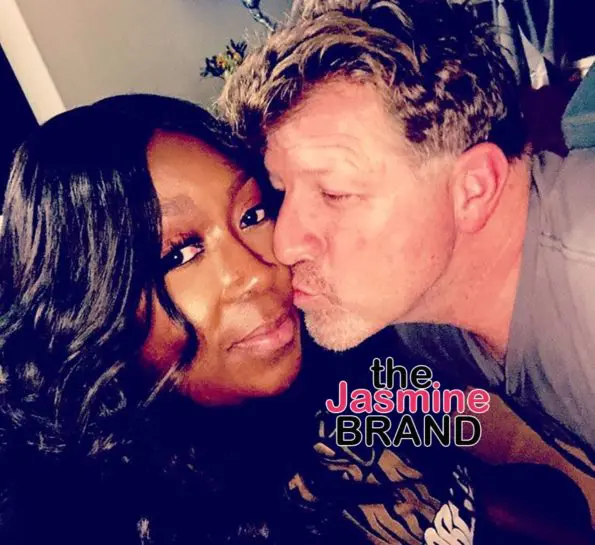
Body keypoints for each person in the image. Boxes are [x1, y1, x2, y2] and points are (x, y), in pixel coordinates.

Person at [0, 94, 483, 545]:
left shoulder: (349, 347)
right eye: (179, 254)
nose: (257, 272)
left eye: (252, 215)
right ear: (88, 313)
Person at [219, 0, 595, 483]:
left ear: (473, 189)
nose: (285, 245)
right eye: (280, 193)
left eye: (335, 192)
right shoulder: (421, 321)